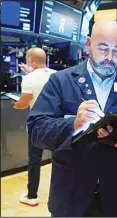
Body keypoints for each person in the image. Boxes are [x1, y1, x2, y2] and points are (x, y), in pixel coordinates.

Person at [27, 20, 117, 217]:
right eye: (103, 48)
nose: (109, 57)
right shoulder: (61, 81)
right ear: (88, 43)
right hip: (71, 195)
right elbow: (36, 128)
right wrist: (73, 124)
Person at [12, 47, 56, 206]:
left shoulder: (29, 79)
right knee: (59, 159)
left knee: (34, 160)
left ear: (30, 60)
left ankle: (32, 196)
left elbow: (24, 103)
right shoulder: (56, 75)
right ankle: (62, 194)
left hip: (37, 126)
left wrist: (16, 105)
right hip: (56, 124)